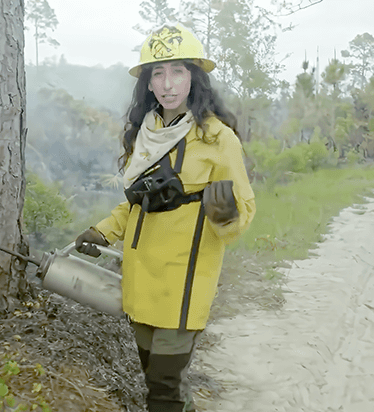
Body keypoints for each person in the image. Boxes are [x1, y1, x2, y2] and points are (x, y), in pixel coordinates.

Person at [74, 24, 256, 412]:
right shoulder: (145, 134)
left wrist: (226, 215)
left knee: (163, 387)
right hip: (141, 277)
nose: (168, 84)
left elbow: (243, 208)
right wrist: (102, 232)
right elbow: (136, 204)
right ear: (148, 82)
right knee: (155, 376)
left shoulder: (217, 138)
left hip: (184, 281)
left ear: (195, 77)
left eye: (177, 71)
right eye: (158, 73)